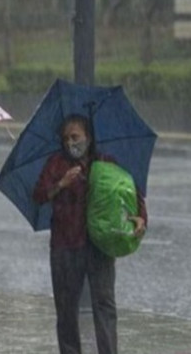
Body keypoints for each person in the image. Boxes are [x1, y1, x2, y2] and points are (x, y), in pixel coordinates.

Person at [33, 114, 147, 354]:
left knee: (104, 306)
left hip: (99, 245)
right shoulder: (56, 164)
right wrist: (61, 184)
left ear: (88, 137)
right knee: (66, 311)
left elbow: (130, 192)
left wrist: (141, 217)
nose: (70, 143)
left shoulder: (105, 163)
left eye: (75, 137)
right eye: (65, 138)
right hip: (65, 245)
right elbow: (39, 195)